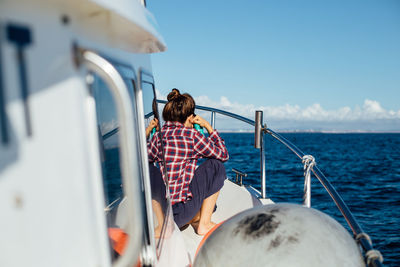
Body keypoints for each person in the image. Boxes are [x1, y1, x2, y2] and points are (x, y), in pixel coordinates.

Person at [146, 88, 229, 235]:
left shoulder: (158, 137)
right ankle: (203, 224)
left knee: (149, 169)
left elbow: (143, 157)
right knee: (215, 166)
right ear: (190, 117)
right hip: (182, 213)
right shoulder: (192, 136)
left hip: (164, 212)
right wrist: (208, 127)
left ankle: (162, 225)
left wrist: (148, 131)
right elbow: (223, 155)